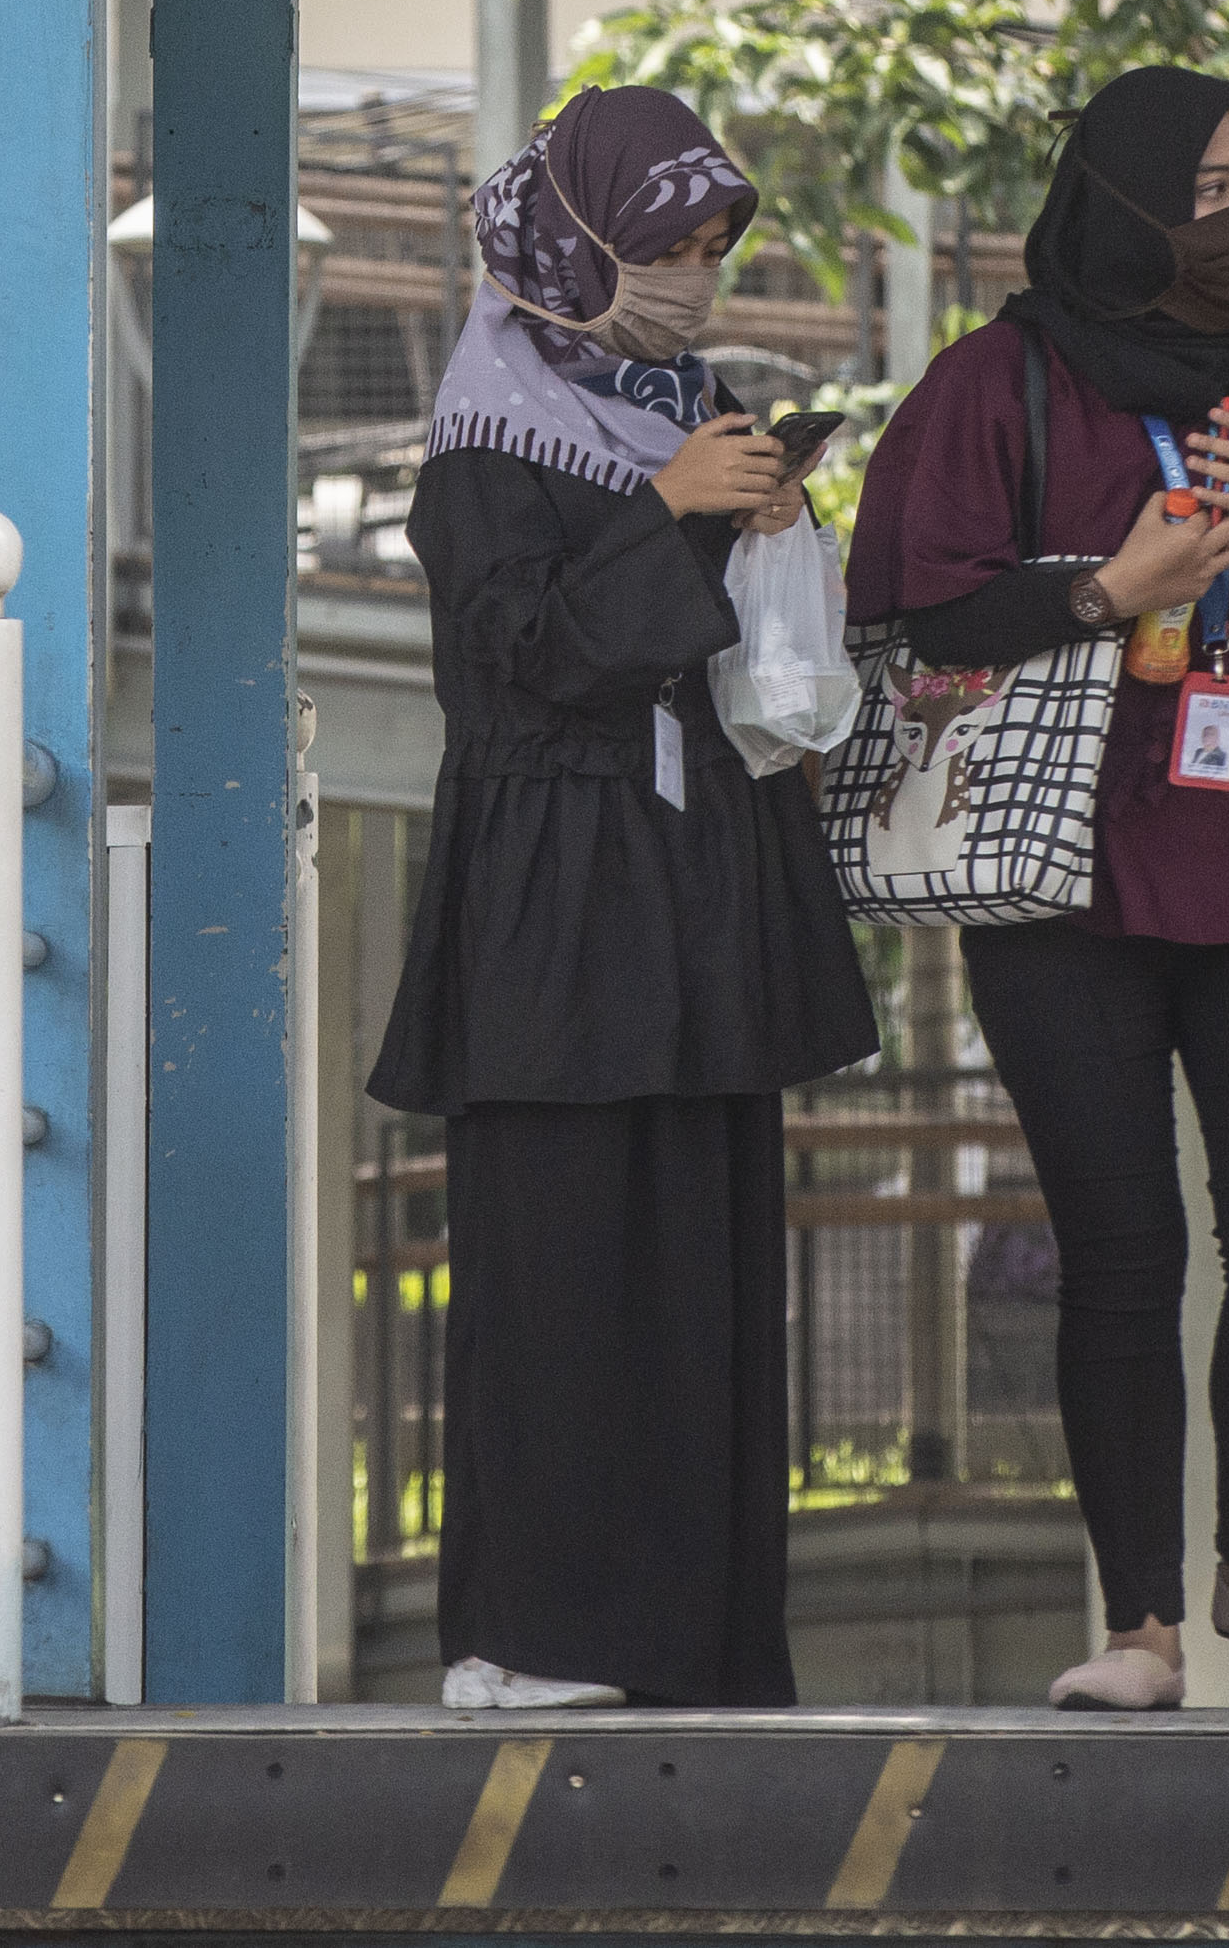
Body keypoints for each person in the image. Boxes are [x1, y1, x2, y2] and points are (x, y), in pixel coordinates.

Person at [850, 64, 1229, 1711]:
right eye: (1206, 192)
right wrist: (1109, 589)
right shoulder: (998, 383)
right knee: (1121, 1248)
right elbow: (915, 616)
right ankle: (1139, 1628)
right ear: (1120, 204)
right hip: (1065, 875)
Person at [371, 85, 880, 1712]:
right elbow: (515, 658)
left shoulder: (692, 403)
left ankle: (699, 1651)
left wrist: (767, 519)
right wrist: (668, 512)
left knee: (703, 1277)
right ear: (576, 243)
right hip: (558, 885)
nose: (693, 275)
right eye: (666, 244)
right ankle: (529, 1640)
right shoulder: (484, 441)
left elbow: (735, 655)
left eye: (714, 246)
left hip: (697, 876)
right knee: (564, 1267)